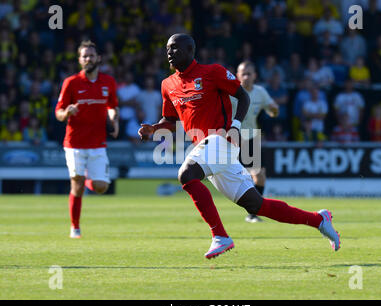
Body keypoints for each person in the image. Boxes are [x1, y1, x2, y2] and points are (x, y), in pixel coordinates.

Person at [138, 33, 341, 259]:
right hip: (206, 148)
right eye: (167, 48)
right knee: (255, 205)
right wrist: (154, 129)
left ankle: (220, 236)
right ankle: (318, 219)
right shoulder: (168, 84)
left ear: (189, 50)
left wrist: (234, 126)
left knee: (186, 174)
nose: (169, 52)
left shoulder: (212, 72)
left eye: (175, 48)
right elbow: (171, 119)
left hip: (221, 140)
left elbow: (243, 96)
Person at [55, 40, 119, 239]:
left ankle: (88, 180)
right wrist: (67, 112)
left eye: (91, 55)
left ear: (98, 58)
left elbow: (113, 107)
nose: (88, 59)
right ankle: (75, 227)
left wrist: (113, 120)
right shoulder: (71, 82)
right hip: (74, 143)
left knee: (101, 187)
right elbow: (57, 112)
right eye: (84, 56)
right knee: (76, 184)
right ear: (79, 60)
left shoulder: (108, 82)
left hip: (98, 143)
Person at [230, 61, 279, 223]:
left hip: (250, 138)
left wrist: (274, 109)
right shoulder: (230, 92)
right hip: (231, 139)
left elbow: (272, 109)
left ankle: (253, 213)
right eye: (243, 73)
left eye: (249, 73)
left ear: (255, 76)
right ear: (237, 76)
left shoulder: (260, 92)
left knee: (260, 176)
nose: (246, 76)